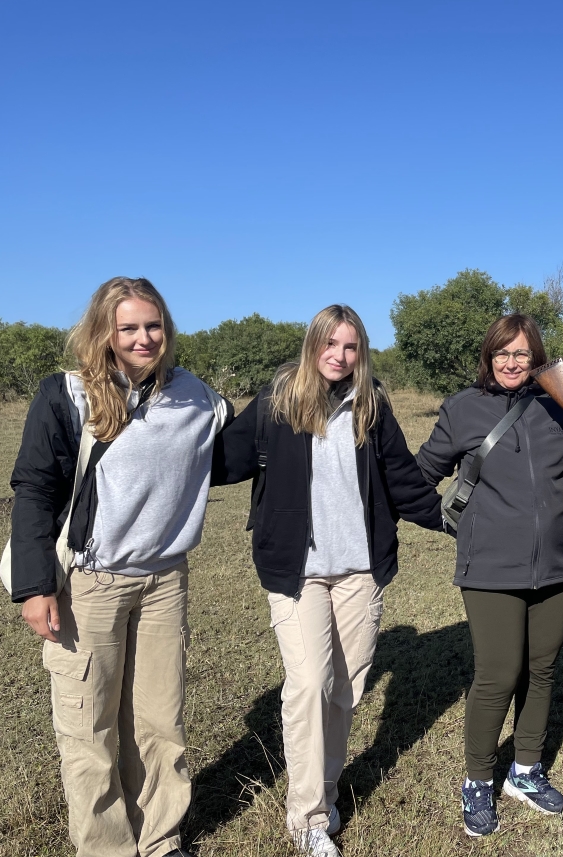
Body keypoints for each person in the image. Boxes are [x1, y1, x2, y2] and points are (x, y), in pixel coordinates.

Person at [10, 277, 231, 857]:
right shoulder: (68, 394)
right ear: (104, 331)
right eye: (128, 327)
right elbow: (34, 488)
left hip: (165, 583)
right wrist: (36, 586)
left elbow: (240, 449)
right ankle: (107, 848)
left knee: (161, 723)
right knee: (89, 731)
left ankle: (162, 839)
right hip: (90, 583)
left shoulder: (196, 397)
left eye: (152, 326)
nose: (143, 338)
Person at [211, 304, 442, 857]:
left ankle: (327, 792)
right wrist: (193, 414)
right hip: (298, 572)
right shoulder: (277, 400)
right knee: (309, 683)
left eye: (350, 347)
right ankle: (310, 817)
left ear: (361, 352)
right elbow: (221, 463)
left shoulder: (371, 404)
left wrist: (464, 523)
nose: (339, 357)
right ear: (313, 344)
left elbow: (402, 479)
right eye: (330, 344)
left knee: (345, 688)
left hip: (360, 570)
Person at [415, 314, 563, 838]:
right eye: (502, 354)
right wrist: (455, 527)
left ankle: (526, 771)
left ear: (538, 359)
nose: (512, 364)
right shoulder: (465, 409)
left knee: (542, 669)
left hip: (556, 563)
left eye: (522, 354)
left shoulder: (561, 405)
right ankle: (477, 780)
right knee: (497, 674)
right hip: (491, 568)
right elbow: (421, 474)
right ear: (488, 359)